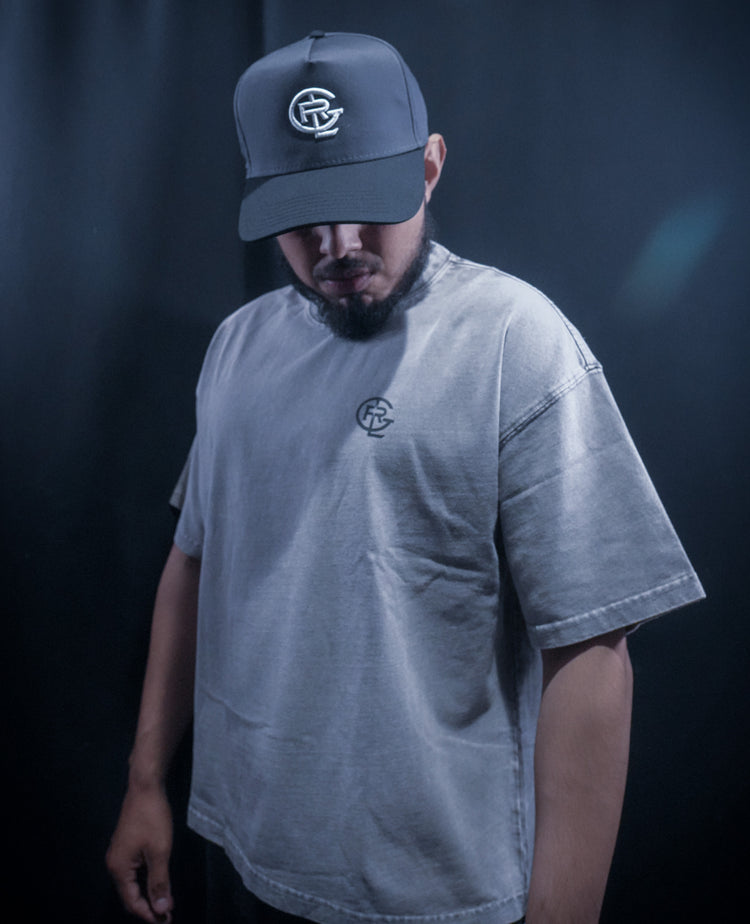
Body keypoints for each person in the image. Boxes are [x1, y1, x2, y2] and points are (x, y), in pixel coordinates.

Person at [106, 31, 704, 924]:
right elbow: (195, 563)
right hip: (241, 852)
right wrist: (147, 781)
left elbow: (590, 645)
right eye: (305, 216)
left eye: (365, 205)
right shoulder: (237, 347)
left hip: (435, 892)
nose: (338, 244)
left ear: (429, 168)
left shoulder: (514, 341)